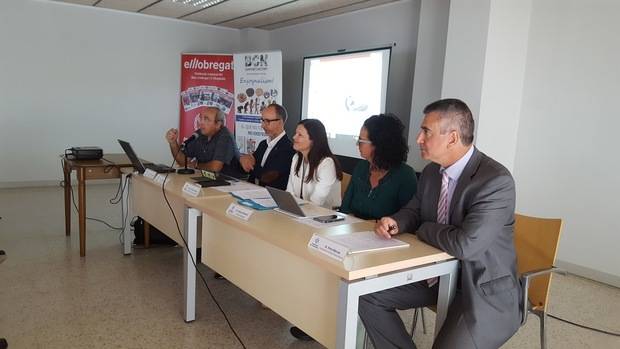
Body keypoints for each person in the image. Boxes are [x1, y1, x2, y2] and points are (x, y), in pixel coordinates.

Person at [360, 99, 520, 349]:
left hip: (477, 287)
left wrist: (424, 228)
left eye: (426, 131)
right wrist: (396, 221)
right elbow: (414, 210)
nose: (418, 139)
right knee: (367, 296)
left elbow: (466, 245)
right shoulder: (432, 173)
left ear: (453, 138)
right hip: (435, 276)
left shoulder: (495, 181)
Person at [340, 114, 417, 220]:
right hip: (354, 231)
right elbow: (345, 208)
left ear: (379, 144)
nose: (357, 144)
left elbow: (409, 218)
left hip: (384, 234)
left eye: (361, 141)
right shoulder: (361, 167)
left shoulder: (405, 175)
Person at [165, 107, 240, 176]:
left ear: (218, 124)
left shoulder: (225, 136)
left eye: (206, 119)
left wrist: (196, 165)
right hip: (208, 179)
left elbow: (215, 167)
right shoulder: (199, 134)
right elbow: (182, 162)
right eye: (201, 118)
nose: (201, 122)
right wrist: (173, 143)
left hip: (230, 183)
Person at [286, 119, 343, 209]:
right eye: (295, 133)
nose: (294, 137)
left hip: (325, 215)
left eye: (300, 135)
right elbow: (290, 192)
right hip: (304, 211)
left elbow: (317, 201)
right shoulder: (296, 158)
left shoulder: (327, 163)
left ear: (313, 140)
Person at [239, 104, 295, 190]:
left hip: (272, 197)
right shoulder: (263, 144)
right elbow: (248, 168)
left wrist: (251, 164)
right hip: (251, 191)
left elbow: (267, 177)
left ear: (280, 122)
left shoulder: (288, 148)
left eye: (268, 121)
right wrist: (244, 160)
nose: (263, 126)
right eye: (262, 120)